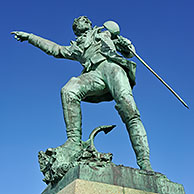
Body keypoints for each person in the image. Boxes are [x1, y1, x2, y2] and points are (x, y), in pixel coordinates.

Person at [11, 16, 152, 171]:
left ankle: (144, 162)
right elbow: (54, 49)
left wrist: (126, 45)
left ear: (90, 24)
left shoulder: (104, 33)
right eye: (78, 21)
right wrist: (30, 37)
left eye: (85, 19)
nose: (82, 20)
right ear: (75, 29)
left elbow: (129, 52)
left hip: (112, 68)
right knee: (69, 90)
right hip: (94, 74)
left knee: (130, 111)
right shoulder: (76, 47)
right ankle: (73, 141)